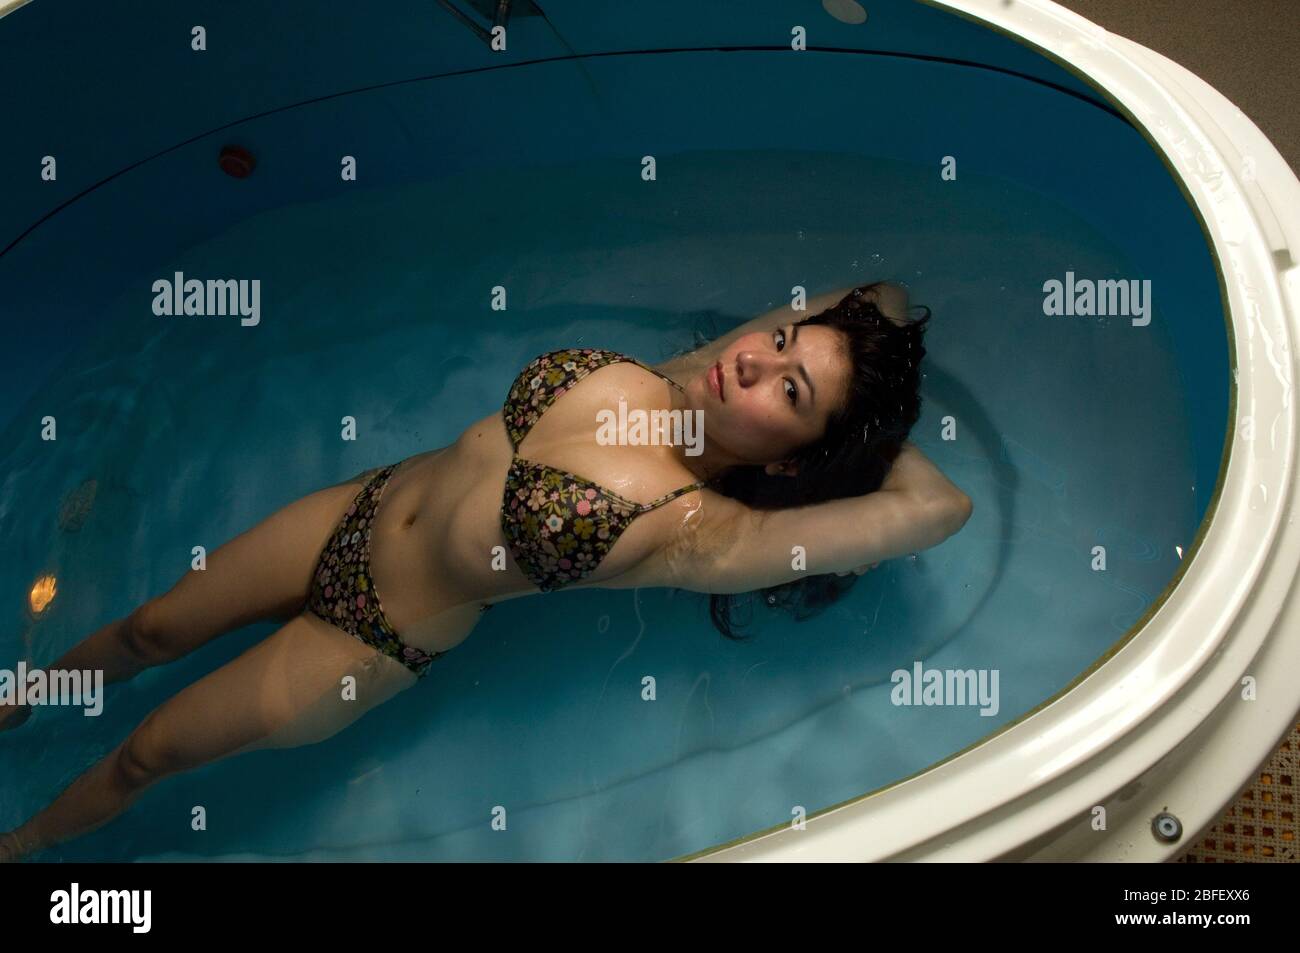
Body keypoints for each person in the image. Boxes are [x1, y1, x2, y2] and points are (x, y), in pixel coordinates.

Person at [0, 281, 971, 861]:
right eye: (781, 339)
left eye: (789, 389)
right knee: (149, 630)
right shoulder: (696, 368)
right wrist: (850, 365)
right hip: (363, 501)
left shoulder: (697, 530)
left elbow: (937, 511)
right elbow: (875, 293)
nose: (758, 360)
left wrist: (869, 444)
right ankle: (24, 696)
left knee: (145, 755)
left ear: (795, 455)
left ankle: (24, 843)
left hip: (369, 634)